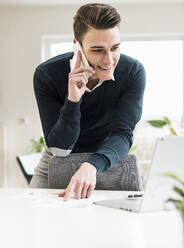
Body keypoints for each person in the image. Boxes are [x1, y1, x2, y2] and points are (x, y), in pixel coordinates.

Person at [30, 3, 146, 201]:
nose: (109, 60)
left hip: (108, 158)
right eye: (98, 50)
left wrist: (92, 165)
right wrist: (73, 99)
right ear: (77, 45)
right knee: (38, 219)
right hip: (58, 159)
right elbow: (59, 148)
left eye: (115, 48)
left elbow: (123, 133)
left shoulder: (133, 72)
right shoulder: (47, 75)